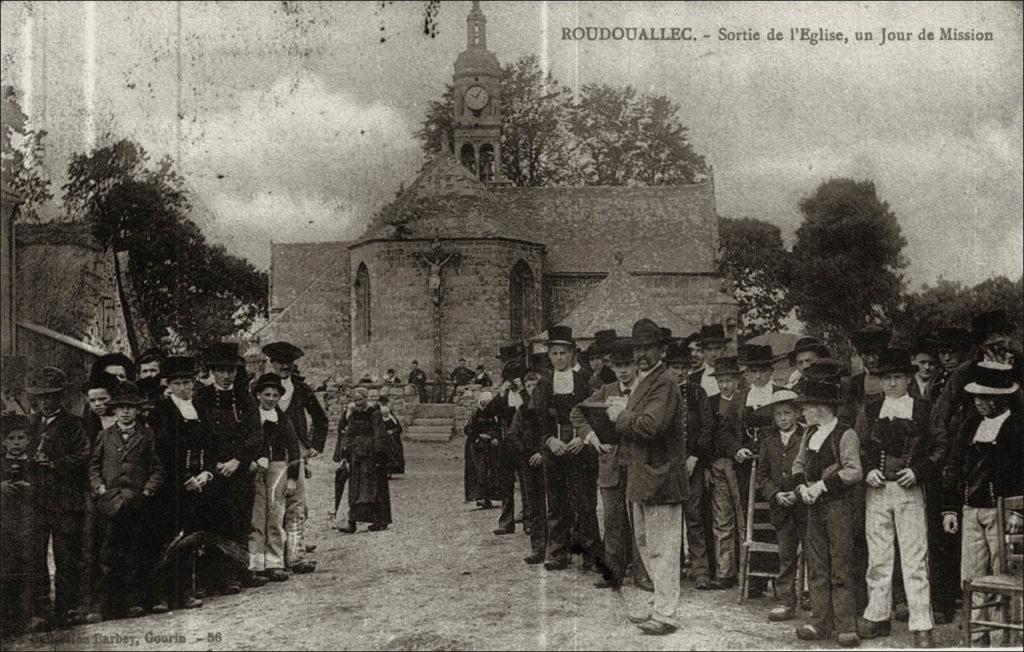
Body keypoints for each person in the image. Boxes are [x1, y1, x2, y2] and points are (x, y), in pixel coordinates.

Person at [856, 349, 945, 648]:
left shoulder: (923, 408)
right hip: (877, 491)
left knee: (914, 556)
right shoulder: (869, 410)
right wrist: (868, 470)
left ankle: (921, 623)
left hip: (909, 490)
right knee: (878, 555)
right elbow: (858, 446)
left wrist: (918, 472)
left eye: (898, 377)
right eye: (887, 378)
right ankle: (877, 615)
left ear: (908, 379)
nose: (892, 383)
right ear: (879, 382)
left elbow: (940, 446)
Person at [607, 319, 688, 636]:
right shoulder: (647, 381)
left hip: (662, 479)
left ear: (662, 350)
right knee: (646, 545)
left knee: (663, 549)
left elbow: (652, 426)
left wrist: (620, 415)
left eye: (648, 348)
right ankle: (659, 605)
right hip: (642, 478)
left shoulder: (664, 382)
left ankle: (666, 614)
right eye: (637, 348)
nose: (641, 354)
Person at [942, 361, 1023, 647]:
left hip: (1003, 513)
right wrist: (950, 508)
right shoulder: (970, 425)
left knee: (1003, 577)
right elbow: (952, 467)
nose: (979, 403)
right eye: (977, 397)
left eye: (986, 397)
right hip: (971, 511)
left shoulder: (1017, 426)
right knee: (972, 578)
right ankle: (976, 640)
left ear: (1002, 398)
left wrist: (1017, 509)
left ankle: (1003, 640)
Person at [572, 337, 652, 592]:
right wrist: (592, 437)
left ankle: (643, 574)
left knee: (641, 523)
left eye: (628, 364)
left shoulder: (647, 391)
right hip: (610, 466)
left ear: (637, 365)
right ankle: (614, 572)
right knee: (613, 519)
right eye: (618, 366)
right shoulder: (606, 390)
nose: (623, 371)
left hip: (639, 464)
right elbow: (577, 413)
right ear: (612, 367)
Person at [792, 380, 865, 648]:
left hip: (838, 507)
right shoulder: (810, 434)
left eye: (807, 407)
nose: (803, 413)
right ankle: (820, 621)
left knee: (841, 563)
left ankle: (846, 625)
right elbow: (798, 464)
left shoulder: (846, 434)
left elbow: (854, 471)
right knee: (817, 563)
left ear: (821, 408)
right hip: (813, 507)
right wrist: (802, 487)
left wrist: (822, 486)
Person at [89, 382, 165, 619]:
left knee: (136, 552)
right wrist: (99, 487)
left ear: (137, 410)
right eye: (121, 407)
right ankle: (105, 605)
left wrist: (147, 491)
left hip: (136, 503)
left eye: (130, 407)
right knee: (107, 554)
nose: (125, 412)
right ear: (115, 410)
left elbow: (158, 468)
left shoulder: (147, 435)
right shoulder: (104, 435)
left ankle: (135, 602)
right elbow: (93, 465)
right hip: (110, 502)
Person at [527, 326, 601, 572]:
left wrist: (584, 438)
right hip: (555, 448)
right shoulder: (543, 385)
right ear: (549, 356)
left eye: (563, 353)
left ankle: (591, 554)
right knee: (556, 502)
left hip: (580, 447)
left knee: (585, 501)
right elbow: (535, 420)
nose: (559, 357)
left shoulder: (585, 381)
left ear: (572, 354)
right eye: (555, 353)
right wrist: (549, 441)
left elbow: (594, 414)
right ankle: (558, 552)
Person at [25, 366, 90, 631]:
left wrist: (54, 464)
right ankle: (41, 610)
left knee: (66, 555)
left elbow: (83, 455)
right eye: (40, 397)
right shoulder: (30, 425)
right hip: (37, 500)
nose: (45, 402)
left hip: (65, 499)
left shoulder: (74, 424)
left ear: (60, 397)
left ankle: (66, 609)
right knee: (35, 554)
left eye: (51, 396)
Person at [194, 343, 262, 595]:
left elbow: (255, 434)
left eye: (230, 371)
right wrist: (214, 465)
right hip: (213, 471)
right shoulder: (201, 398)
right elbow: (199, 436)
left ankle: (238, 573)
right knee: (214, 523)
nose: (225, 376)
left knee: (240, 520)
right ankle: (214, 578)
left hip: (239, 470)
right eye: (220, 371)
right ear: (212, 371)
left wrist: (239, 460)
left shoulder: (245, 398)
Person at [147, 356, 213, 612]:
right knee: (167, 538)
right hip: (172, 485)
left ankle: (184, 591)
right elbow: (164, 450)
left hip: (198, 482)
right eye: (179, 383)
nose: (185, 388)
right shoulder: (161, 411)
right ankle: (162, 595)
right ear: (169, 385)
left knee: (189, 538)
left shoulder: (198, 408)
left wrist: (207, 471)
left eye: (188, 382)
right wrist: (184, 477)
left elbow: (210, 443)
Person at [260, 341, 327, 574]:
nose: (285, 367)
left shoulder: (300, 388)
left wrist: (314, 445)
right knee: (273, 505)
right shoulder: (259, 388)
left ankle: (296, 557)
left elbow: (321, 418)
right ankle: (273, 560)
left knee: (297, 505)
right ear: (272, 363)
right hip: (268, 452)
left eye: (289, 363)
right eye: (280, 362)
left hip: (295, 449)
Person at [663, 338, 715, 590]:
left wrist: (695, 456)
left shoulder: (697, 392)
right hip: (667, 466)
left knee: (694, 516)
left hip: (693, 463)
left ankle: (700, 569)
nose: (680, 371)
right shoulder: (660, 394)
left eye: (684, 367)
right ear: (667, 368)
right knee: (670, 518)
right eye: (675, 367)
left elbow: (707, 427)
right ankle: (671, 570)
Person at [755, 389, 807, 622]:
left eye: (787, 413)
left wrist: (797, 493)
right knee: (786, 556)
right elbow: (762, 477)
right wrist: (775, 495)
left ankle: (815, 599)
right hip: (781, 508)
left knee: (814, 554)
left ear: (797, 413)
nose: (783, 418)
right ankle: (787, 602)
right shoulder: (768, 442)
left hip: (805, 505)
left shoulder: (807, 436)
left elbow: (811, 468)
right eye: (778, 415)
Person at [248, 373, 302, 583]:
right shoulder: (251, 417)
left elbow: (294, 448)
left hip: (277, 468)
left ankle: (275, 562)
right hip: (255, 470)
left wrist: (292, 478)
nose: (271, 398)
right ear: (258, 395)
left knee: (275, 515)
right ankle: (256, 564)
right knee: (257, 517)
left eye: (275, 395)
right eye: (267, 394)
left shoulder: (281, 418)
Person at [704, 355, 745, 590]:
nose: (725, 385)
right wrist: (708, 464)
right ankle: (725, 571)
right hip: (718, 464)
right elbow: (707, 436)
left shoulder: (744, 401)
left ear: (738, 380)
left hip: (740, 465)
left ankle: (745, 570)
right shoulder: (711, 403)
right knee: (722, 518)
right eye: (721, 380)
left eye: (729, 380)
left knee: (742, 518)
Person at [335, 387, 392, 533]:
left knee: (373, 488)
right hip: (356, 457)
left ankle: (379, 520)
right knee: (355, 489)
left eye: (360, 400)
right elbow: (349, 432)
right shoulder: (354, 414)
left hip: (370, 456)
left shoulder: (374, 413)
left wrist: (379, 455)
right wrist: (345, 452)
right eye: (355, 400)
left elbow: (379, 434)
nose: (358, 403)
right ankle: (352, 522)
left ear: (366, 399)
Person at [1, 415, 36, 636]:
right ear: (3, 441)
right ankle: (5, 616)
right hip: (3, 524)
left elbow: (46, 486)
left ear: (29, 440)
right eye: (11, 438)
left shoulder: (34, 462)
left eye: (20, 437)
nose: (15, 442)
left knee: (27, 567)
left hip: (28, 523)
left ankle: (27, 615)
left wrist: (30, 487)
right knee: (5, 567)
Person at [511, 370, 548, 562]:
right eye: (529, 386)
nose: (533, 389)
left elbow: (552, 433)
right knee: (535, 506)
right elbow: (514, 435)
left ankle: (559, 547)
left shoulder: (550, 408)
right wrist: (529, 454)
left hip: (550, 461)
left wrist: (543, 453)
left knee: (556, 505)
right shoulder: (522, 411)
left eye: (536, 385)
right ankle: (538, 548)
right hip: (530, 463)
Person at [843, 325, 891, 423]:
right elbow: (847, 417)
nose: (871, 360)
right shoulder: (854, 384)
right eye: (866, 354)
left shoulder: (897, 380)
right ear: (860, 355)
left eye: (875, 354)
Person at [465, 392, 503, 509]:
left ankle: (490, 498)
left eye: (489, 403)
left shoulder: (494, 414)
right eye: (485, 403)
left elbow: (498, 428)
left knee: (492, 471)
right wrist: (480, 436)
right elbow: (468, 429)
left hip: (490, 447)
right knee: (480, 471)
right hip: (478, 447)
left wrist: (496, 438)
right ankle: (481, 497)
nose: (486, 405)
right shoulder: (476, 412)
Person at [690, 324, 729, 400]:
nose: (713, 354)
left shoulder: (738, 378)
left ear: (725, 349)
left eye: (717, 348)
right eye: (709, 349)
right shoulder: (693, 379)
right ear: (703, 351)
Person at [909, 336, 940, 401]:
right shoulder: (907, 383)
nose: (927, 367)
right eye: (922, 362)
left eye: (932, 363)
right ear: (913, 361)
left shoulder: (940, 382)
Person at [379, 397, 405, 476]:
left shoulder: (390, 416)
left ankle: (391, 471)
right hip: (382, 439)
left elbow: (398, 427)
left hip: (391, 440)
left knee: (392, 454)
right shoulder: (377, 413)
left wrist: (393, 431)